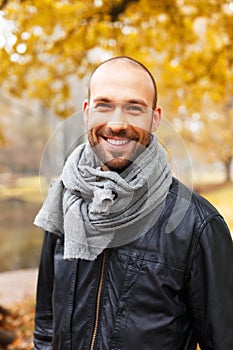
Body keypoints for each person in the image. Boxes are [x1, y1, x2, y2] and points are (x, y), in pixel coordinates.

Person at [33, 56, 233, 350]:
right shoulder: (65, 201)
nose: (116, 123)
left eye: (134, 108)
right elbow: (45, 326)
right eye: (104, 105)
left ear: (155, 118)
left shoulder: (197, 224)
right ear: (87, 113)